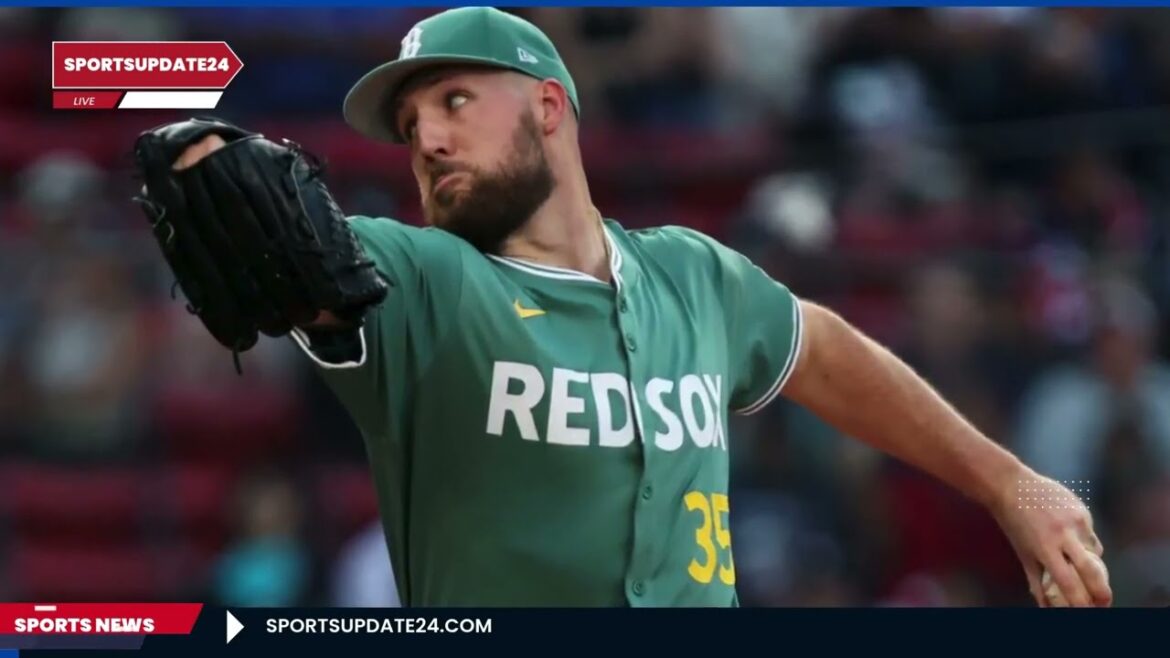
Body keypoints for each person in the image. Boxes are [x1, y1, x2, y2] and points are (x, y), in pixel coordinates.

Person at [147, 7, 1110, 607]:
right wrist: (204, 147)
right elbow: (292, 239)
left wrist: (1007, 484)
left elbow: (818, 348)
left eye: (450, 100)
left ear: (550, 108)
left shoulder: (696, 275)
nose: (426, 140)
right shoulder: (423, 280)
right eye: (408, 127)